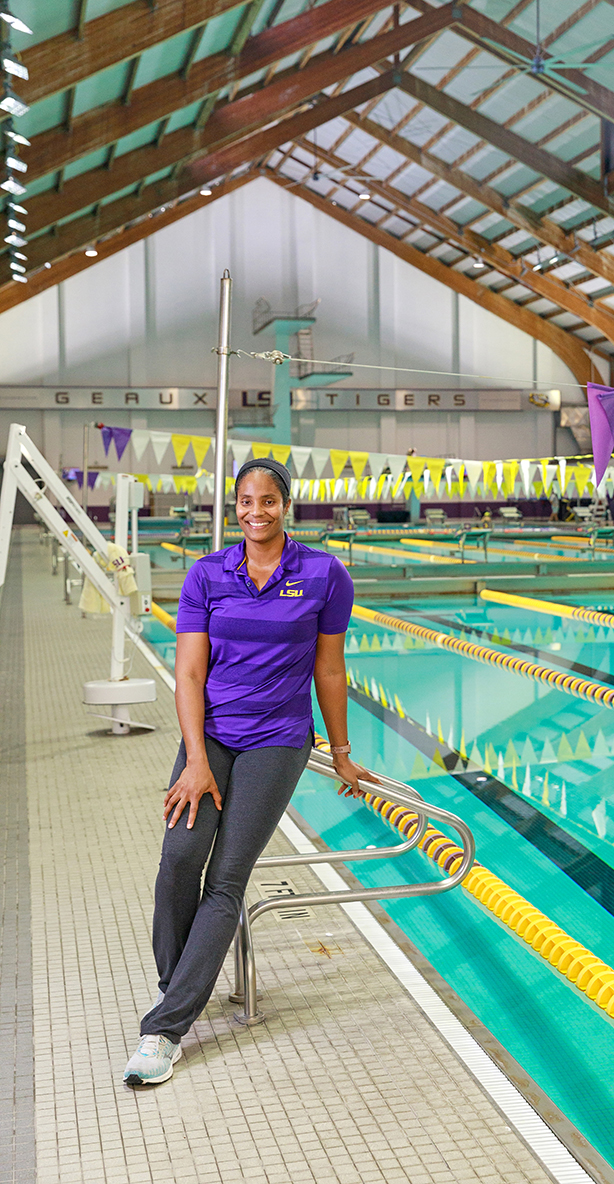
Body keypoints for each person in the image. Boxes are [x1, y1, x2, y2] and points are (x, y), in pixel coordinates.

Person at [123, 457, 375, 1086]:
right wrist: (195, 763)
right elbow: (188, 674)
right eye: (244, 501)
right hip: (208, 739)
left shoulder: (323, 573)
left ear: (285, 505)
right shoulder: (208, 575)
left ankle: (165, 1029)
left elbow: (330, 670)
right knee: (179, 859)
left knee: (227, 879)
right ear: (233, 506)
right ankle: (179, 983)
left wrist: (341, 751)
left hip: (277, 742)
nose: (255, 512)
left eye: (268, 501)